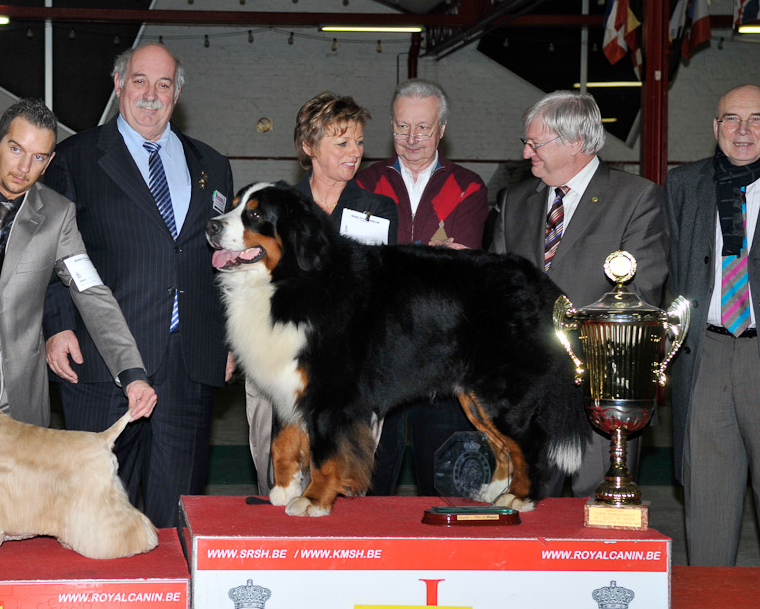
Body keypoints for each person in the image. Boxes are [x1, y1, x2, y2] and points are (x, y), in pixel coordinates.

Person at [0, 98, 155, 531]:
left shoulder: (58, 215)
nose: (24, 166)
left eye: (39, 157)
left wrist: (130, 370)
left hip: (14, 388)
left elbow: (91, 292)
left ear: (50, 160)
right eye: (16, 149)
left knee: (23, 520)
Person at [42, 44, 234, 529]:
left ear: (178, 93)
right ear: (118, 83)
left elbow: (225, 265)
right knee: (97, 507)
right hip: (102, 359)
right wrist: (57, 326)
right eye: (140, 81)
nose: (151, 95)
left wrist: (228, 341)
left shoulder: (213, 164)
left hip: (188, 362)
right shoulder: (75, 157)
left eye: (164, 84)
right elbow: (50, 253)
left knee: (176, 512)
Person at [491, 90, 668, 498]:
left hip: (602, 387)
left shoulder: (637, 198)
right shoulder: (514, 201)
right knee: (528, 507)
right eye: (527, 142)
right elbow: (499, 293)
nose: (526, 153)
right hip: (528, 392)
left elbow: (641, 296)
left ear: (575, 143)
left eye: (536, 143)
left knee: (602, 511)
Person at [246, 92, 397, 495]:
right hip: (278, 360)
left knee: (342, 479)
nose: (355, 153)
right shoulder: (273, 205)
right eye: (342, 143)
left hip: (349, 368)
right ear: (308, 147)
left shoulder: (379, 209)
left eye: (360, 142)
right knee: (280, 476)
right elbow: (249, 283)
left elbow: (378, 292)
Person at [355, 79, 488, 496]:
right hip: (377, 355)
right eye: (401, 127)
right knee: (370, 483)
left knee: (448, 483)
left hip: (444, 353)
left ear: (442, 128)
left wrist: (393, 259)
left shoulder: (468, 187)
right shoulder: (362, 183)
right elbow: (358, 267)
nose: (411, 139)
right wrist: (429, 254)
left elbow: (459, 269)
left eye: (423, 128)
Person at [665, 84, 760, 566]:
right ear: (715, 127)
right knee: (708, 502)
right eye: (731, 119)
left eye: (756, 119)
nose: (742, 130)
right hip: (703, 354)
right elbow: (671, 276)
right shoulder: (684, 185)